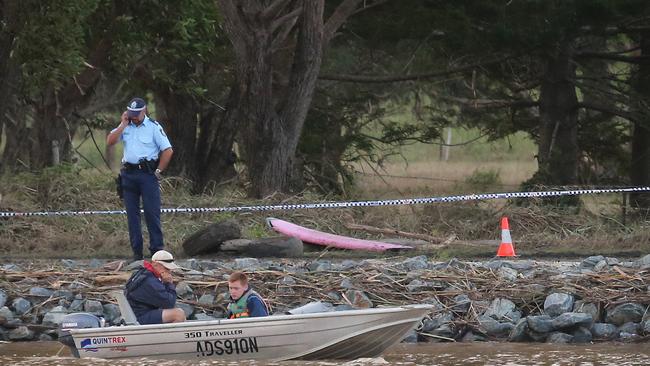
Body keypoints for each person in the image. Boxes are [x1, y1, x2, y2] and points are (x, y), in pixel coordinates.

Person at [107, 97, 173, 261]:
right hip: (128, 174)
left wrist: (158, 170)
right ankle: (137, 253)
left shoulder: (153, 127)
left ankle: (157, 252)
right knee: (132, 215)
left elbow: (167, 150)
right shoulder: (126, 126)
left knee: (152, 213)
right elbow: (110, 141)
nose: (134, 116)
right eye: (131, 113)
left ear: (144, 111)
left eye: (136, 113)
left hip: (147, 174)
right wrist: (122, 125)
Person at [124, 250, 186, 325]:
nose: (169, 271)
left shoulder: (144, 273)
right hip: (140, 317)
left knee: (178, 314)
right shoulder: (150, 281)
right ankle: (170, 336)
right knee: (178, 314)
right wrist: (169, 283)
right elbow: (169, 303)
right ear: (156, 264)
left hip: (137, 313)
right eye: (166, 268)